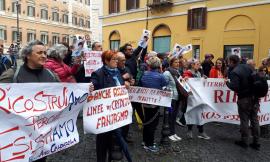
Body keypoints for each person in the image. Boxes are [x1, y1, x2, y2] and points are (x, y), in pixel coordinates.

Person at [14, 40, 60, 162]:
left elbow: (62, 94)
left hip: (43, 132)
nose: (44, 56)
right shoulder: (13, 74)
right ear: (27, 55)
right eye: (39, 52)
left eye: (45, 53)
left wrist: (85, 90)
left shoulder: (51, 75)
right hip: (20, 133)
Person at [90, 50, 132, 162]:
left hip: (117, 114)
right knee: (103, 142)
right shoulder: (98, 73)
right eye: (114, 59)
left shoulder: (117, 71)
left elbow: (119, 85)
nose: (116, 61)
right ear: (106, 61)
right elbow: (93, 85)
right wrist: (90, 87)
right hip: (104, 115)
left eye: (116, 59)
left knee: (114, 143)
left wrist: (125, 84)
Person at [225, 55, 260, 150]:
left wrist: (227, 83)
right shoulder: (249, 67)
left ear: (232, 62)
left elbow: (235, 87)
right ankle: (256, 142)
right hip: (255, 97)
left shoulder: (234, 72)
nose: (228, 64)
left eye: (228, 62)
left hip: (244, 99)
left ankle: (244, 142)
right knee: (255, 120)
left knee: (244, 120)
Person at [140, 56, 168, 152]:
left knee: (146, 122)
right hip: (155, 103)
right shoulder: (161, 76)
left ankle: (145, 141)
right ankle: (149, 144)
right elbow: (165, 86)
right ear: (159, 65)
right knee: (152, 124)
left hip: (145, 102)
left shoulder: (144, 74)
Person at [183, 59, 210, 140]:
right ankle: (189, 130)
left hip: (199, 97)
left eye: (199, 64)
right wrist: (186, 79)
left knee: (201, 114)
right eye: (197, 64)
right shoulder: (187, 73)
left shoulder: (198, 73)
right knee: (191, 112)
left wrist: (203, 78)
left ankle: (201, 131)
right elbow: (184, 82)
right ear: (192, 65)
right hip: (191, 97)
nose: (199, 65)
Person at [163, 57, 182, 142]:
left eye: (178, 62)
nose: (177, 64)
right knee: (169, 116)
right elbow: (163, 85)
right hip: (170, 98)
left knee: (174, 116)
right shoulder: (167, 73)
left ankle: (173, 132)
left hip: (177, 97)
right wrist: (168, 91)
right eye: (175, 62)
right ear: (171, 63)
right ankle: (169, 133)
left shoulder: (177, 72)